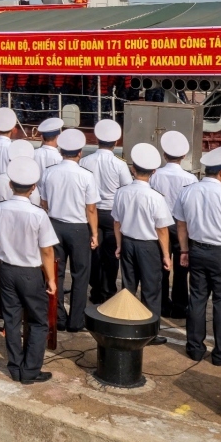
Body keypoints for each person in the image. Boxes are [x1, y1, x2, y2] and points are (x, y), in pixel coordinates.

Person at [0, 157, 58, 384]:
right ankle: (30, 370)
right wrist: (51, 279)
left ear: (10, 185)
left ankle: (15, 366)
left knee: (12, 320)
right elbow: (47, 251)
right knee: (38, 321)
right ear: (33, 188)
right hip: (30, 272)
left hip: (7, 269)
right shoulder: (38, 214)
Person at [174, 146, 221, 366]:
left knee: (197, 299)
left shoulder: (188, 191)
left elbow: (181, 224)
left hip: (197, 250)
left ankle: (195, 348)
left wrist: (185, 250)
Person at [112, 143, 173, 344]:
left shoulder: (122, 192)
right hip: (149, 247)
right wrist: (166, 255)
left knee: (128, 287)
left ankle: (126, 324)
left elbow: (117, 222)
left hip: (128, 242)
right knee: (151, 290)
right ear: (153, 172)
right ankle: (150, 332)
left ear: (132, 169)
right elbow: (162, 229)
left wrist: (120, 245)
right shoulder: (156, 198)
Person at [38, 128, 97, 333]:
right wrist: (94, 233)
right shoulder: (86, 176)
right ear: (79, 153)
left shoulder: (49, 172)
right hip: (78, 227)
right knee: (81, 274)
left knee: (56, 272)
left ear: (61, 151)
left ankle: (58, 316)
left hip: (54, 224)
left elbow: (44, 202)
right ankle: (76, 321)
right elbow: (91, 208)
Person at [81, 118, 133, 304]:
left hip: (91, 212)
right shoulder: (119, 164)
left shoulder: (85, 161)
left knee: (94, 253)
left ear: (96, 140)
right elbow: (127, 188)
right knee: (112, 254)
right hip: (112, 214)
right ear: (116, 142)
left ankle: (96, 290)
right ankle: (109, 290)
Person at [149, 130, 197, 319]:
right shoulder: (190, 178)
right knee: (181, 266)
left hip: (161, 225)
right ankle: (180, 305)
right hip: (181, 225)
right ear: (184, 156)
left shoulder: (155, 175)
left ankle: (161, 304)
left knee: (161, 266)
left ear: (163, 154)